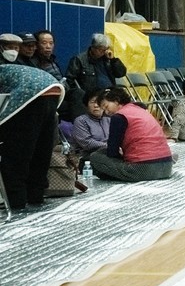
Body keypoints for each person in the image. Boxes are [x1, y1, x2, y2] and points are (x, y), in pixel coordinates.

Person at [0, 64, 64, 209]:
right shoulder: (10, 69)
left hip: (31, 94)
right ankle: (36, 195)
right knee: (41, 149)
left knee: (17, 152)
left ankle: (16, 199)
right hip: (53, 89)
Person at [90, 87, 173, 182]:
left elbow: (112, 151)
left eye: (106, 106)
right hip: (167, 166)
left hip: (144, 168)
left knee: (95, 157)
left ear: (116, 100)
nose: (106, 112)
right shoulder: (140, 109)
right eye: (104, 110)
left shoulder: (118, 117)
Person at [71, 88, 111, 158]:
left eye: (99, 102)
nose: (96, 105)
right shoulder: (81, 121)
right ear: (87, 105)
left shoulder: (109, 120)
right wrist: (110, 146)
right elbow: (87, 143)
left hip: (109, 154)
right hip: (88, 156)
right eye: (92, 102)